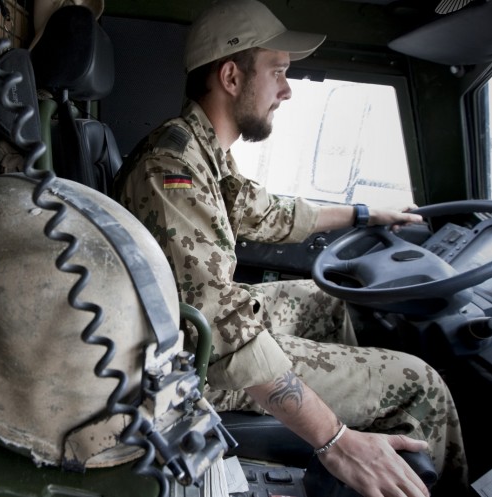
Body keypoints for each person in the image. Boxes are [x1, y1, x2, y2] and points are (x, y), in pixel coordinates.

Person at [113, 0, 468, 495]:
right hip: (185, 362)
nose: (287, 91)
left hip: (193, 335)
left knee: (326, 299)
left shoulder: (200, 150)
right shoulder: (171, 168)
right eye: (277, 72)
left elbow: (267, 213)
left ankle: (365, 438)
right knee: (420, 382)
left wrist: (365, 214)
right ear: (232, 77)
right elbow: (217, 326)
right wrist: (335, 440)